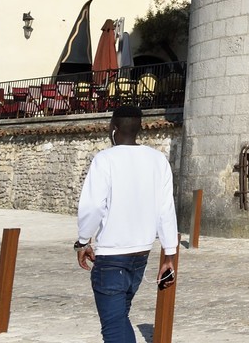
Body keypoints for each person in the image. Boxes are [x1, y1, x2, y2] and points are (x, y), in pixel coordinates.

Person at [75, 105, 178, 343]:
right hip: (140, 254)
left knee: (113, 328)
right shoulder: (158, 160)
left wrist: (82, 241)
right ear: (139, 128)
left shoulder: (105, 159)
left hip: (112, 255)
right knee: (119, 320)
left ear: (114, 128)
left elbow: (93, 206)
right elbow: (166, 210)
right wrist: (169, 256)